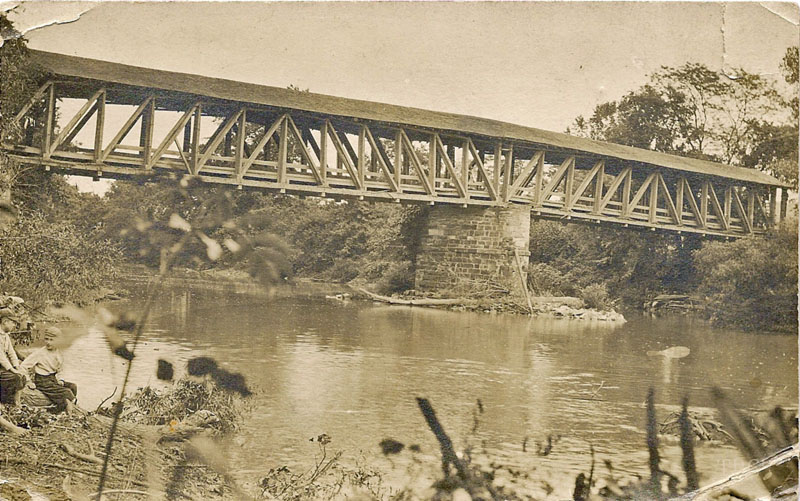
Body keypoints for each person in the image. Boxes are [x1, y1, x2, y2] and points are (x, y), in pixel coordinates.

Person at [21, 327, 78, 413]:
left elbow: (60, 369)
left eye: (52, 340)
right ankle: (70, 414)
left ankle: (58, 409)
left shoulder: (58, 353)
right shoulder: (40, 353)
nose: (48, 342)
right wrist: (28, 381)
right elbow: (23, 366)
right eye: (46, 339)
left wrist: (60, 380)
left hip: (52, 379)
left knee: (73, 386)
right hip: (42, 381)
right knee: (67, 392)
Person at [0, 314, 26, 406]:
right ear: (5, 322)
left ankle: (10, 399)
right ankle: (14, 403)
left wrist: (17, 367)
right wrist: (13, 370)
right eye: (13, 322)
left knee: (22, 376)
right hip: (1, 368)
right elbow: (2, 358)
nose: (14, 325)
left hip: (3, 368)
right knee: (16, 377)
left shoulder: (6, 335)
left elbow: (11, 353)